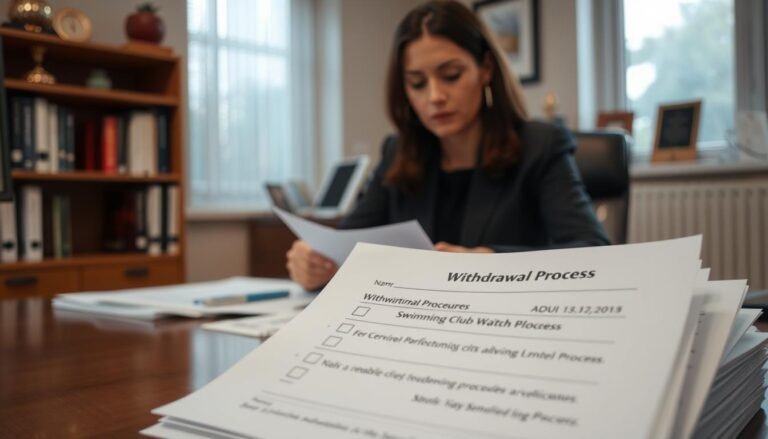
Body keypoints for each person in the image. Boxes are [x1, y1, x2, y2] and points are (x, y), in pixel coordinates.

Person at [287, 0, 609, 290]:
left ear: (485, 69)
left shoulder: (541, 145)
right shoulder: (397, 153)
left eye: (451, 75)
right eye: (417, 83)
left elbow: (593, 251)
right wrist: (316, 261)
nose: (435, 97)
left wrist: (491, 261)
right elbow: (346, 246)